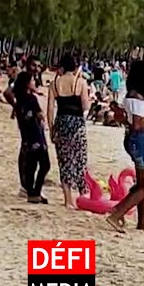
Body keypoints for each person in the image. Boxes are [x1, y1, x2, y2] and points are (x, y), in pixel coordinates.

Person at [106, 60, 144, 235]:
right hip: (139, 141)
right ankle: (116, 214)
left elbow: (130, 120)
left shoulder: (132, 97)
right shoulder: (136, 99)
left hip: (137, 140)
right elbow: (138, 124)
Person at [47, 54, 90, 209]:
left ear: (63, 67)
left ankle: (68, 200)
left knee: (64, 161)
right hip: (77, 124)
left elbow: (50, 109)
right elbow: (85, 106)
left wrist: (52, 129)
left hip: (62, 123)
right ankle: (83, 195)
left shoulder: (55, 84)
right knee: (80, 159)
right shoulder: (81, 82)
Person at [3, 56, 43, 197]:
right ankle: (25, 184)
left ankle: (27, 184)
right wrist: (16, 107)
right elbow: (7, 92)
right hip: (27, 119)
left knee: (30, 149)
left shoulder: (32, 79)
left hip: (31, 118)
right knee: (27, 148)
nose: (36, 68)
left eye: (38, 66)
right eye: (34, 65)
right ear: (27, 65)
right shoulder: (21, 78)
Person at [13, 71, 50, 204]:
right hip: (36, 134)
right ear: (28, 84)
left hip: (26, 137)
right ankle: (36, 190)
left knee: (31, 165)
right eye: (33, 80)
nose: (35, 82)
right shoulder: (31, 99)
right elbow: (40, 115)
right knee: (45, 164)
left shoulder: (19, 101)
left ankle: (30, 192)